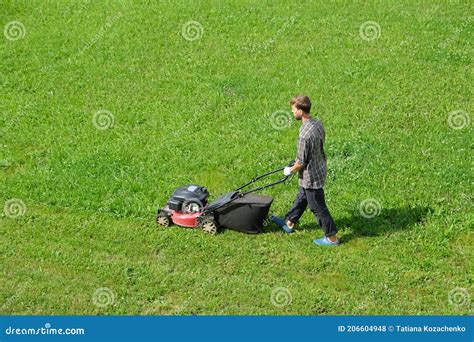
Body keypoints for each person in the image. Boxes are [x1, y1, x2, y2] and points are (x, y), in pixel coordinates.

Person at [271, 95, 340, 246]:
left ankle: (332, 237)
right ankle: (289, 222)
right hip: (320, 166)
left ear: (301, 111)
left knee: (317, 207)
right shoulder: (317, 123)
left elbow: (301, 162)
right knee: (302, 196)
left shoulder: (304, 135)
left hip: (311, 176)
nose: (292, 112)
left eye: (293, 110)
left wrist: (289, 170)